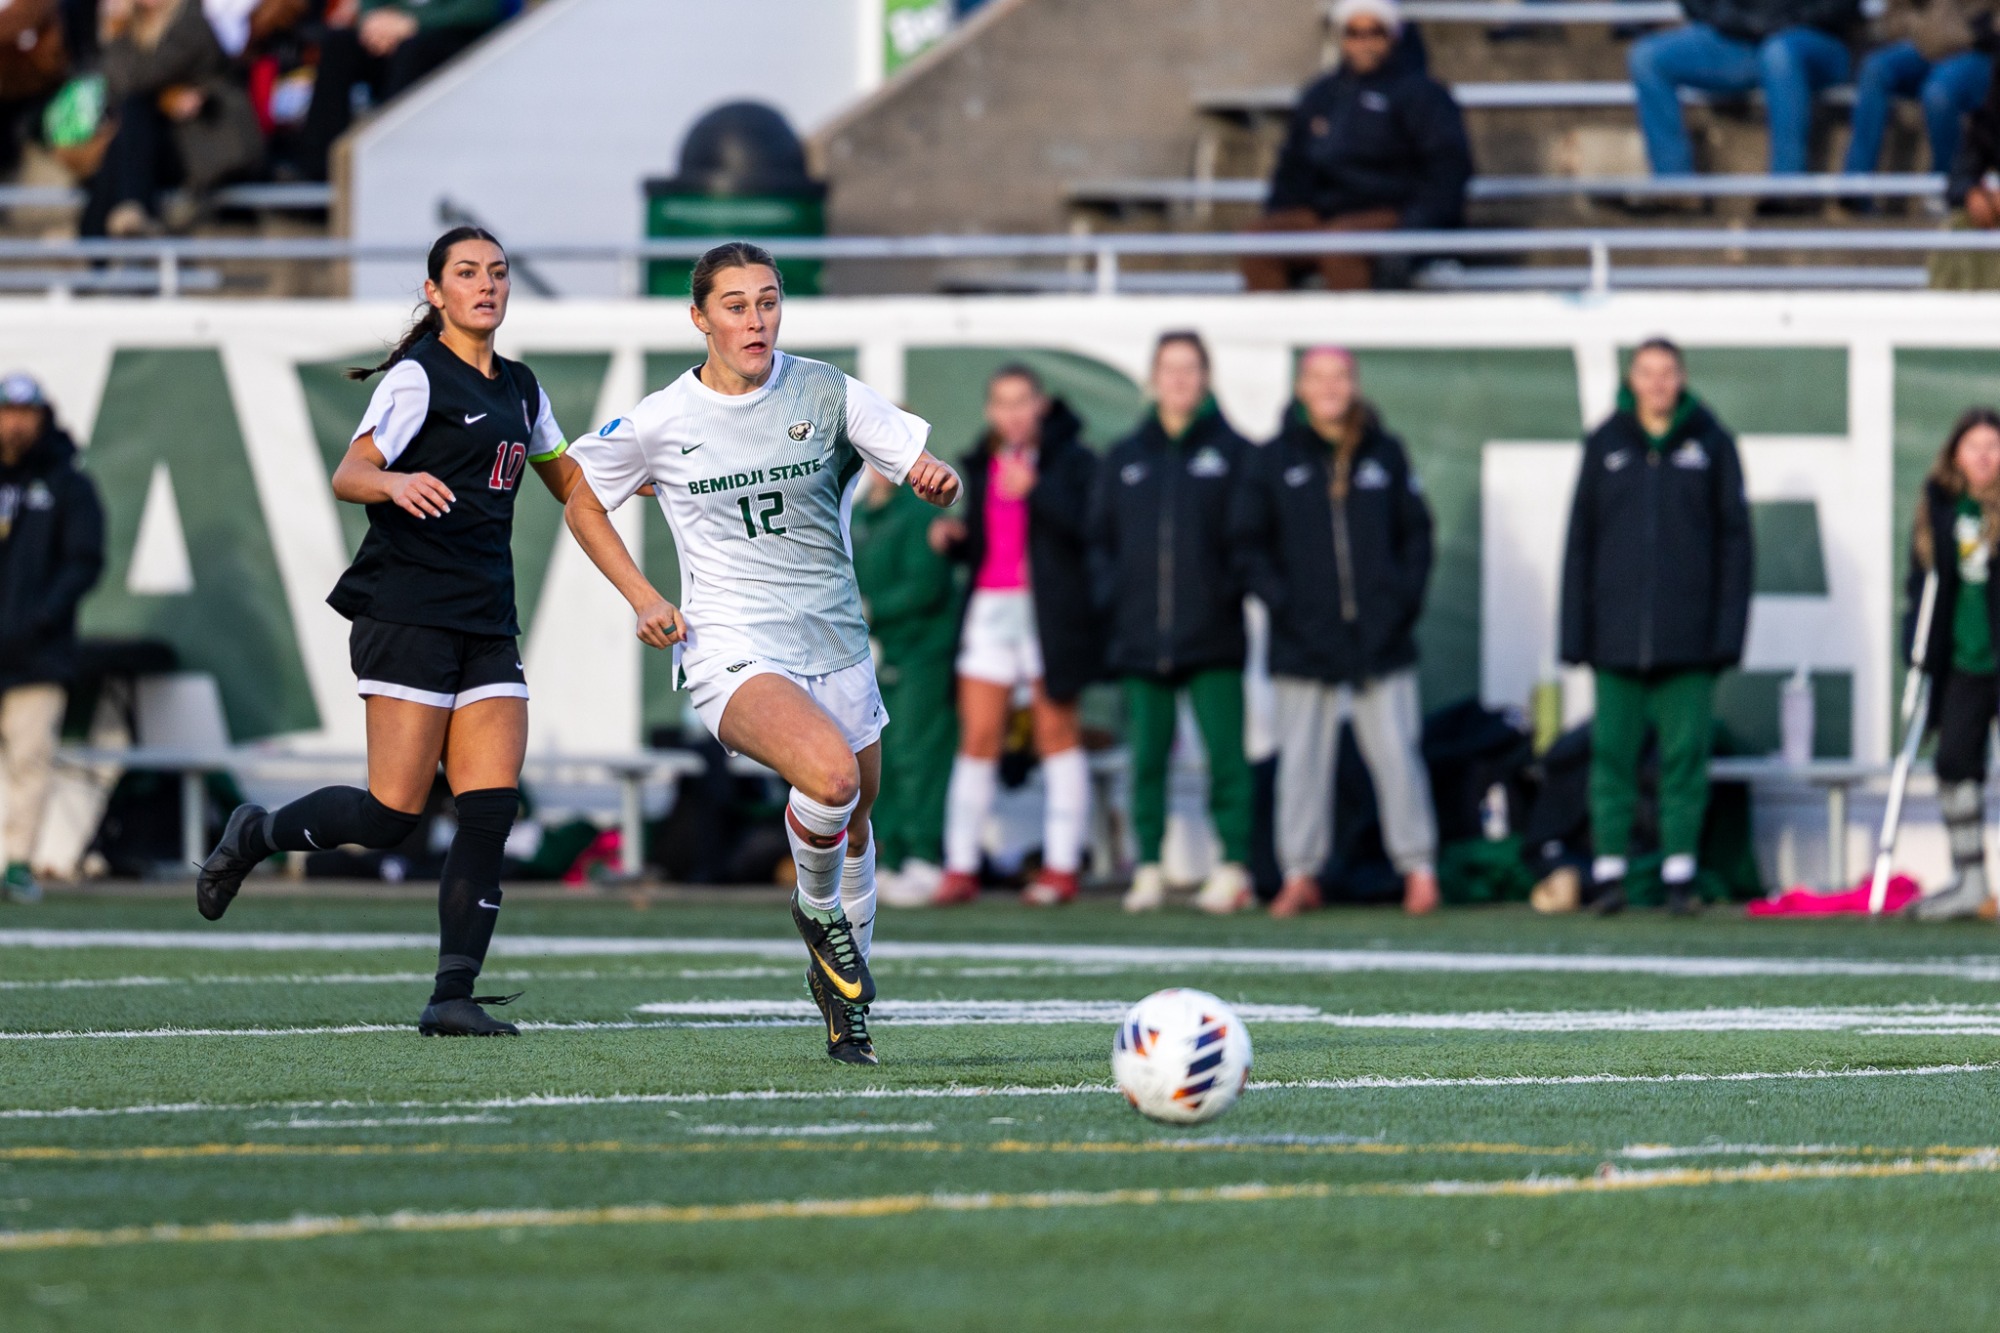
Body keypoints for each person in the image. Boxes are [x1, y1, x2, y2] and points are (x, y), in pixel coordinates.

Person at [561, 241, 961, 1066]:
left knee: (854, 826)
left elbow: (909, 453)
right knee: (834, 780)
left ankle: (845, 1006)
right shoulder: (663, 419)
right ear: (700, 316)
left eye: (768, 300)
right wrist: (643, 596)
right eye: (736, 304)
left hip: (837, 639)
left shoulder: (823, 389)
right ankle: (816, 916)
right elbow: (578, 496)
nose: (756, 319)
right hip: (731, 646)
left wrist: (929, 473)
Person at [196, 226, 575, 1037]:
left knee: (489, 805)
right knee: (392, 812)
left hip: (486, 620)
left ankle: (452, 993)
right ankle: (255, 832)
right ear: (435, 292)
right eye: (467, 273)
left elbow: (570, 480)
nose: (487, 284)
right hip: (407, 611)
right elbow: (350, 472)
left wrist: (650, 473)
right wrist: (394, 482)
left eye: (499, 272)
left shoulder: (522, 386)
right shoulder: (417, 376)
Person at [1231, 347, 1439, 917]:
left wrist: (1398, 607)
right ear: (1301, 386)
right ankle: (1299, 873)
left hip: (1380, 640)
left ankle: (1418, 868)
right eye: (1319, 377)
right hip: (1304, 641)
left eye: (1340, 376)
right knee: (1300, 762)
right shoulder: (1273, 458)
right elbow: (1248, 545)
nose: (1330, 387)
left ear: (1354, 383)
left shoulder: (1385, 452)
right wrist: (1289, 610)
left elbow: (1417, 537)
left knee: (1398, 754)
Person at [1560, 338, 1753, 916]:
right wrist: (1577, 633)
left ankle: (1678, 875)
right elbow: (1580, 543)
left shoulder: (1712, 444)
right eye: (1647, 372)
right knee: (1612, 758)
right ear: (1631, 378)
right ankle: (1610, 873)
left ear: (1683, 378)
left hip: (1689, 640)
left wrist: (1727, 635)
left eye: (1668, 372)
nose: (1658, 383)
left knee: (1684, 760)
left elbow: (1735, 545)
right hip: (1615, 639)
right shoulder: (1605, 442)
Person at [1090, 332, 1255, 915]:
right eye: (1170, 369)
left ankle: (1234, 866)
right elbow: (1101, 544)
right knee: (1149, 759)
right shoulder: (1127, 456)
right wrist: (1117, 601)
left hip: (1213, 637)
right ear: (1153, 379)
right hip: (1141, 637)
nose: (1180, 380)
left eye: (1190, 369)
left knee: (1226, 757)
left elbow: (1251, 543)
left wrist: (1224, 591)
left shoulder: (1236, 454)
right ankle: (1150, 868)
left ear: (1206, 376)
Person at [927, 365, 1102, 907]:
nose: (1012, 413)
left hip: (1047, 615)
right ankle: (959, 867)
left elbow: (1090, 530)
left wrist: (1039, 491)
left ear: (1041, 405)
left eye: (1022, 401)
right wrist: (957, 541)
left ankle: (1062, 867)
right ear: (990, 411)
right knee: (978, 738)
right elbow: (990, 541)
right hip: (990, 609)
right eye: (1002, 403)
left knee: (1056, 735)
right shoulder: (980, 461)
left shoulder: (1074, 461)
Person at [1243, 0, 1471, 293]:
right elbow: (1294, 166)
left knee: (1342, 245)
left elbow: (1447, 168)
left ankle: (1346, 334)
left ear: (1392, 36)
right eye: (1353, 33)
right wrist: (1282, 211)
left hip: (1392, 211)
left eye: (1374, 32)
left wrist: (1415, 227)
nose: (1364, 43)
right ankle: (1272, 332)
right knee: (1261, 242)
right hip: (1325, 214)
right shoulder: (1321, 95)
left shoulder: (1422, 94)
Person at [0, 374, 104, 905]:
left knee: (29, 761)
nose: (15, 423)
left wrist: (39, 617)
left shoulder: (67, 483)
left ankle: (17, 863)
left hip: (36, 654)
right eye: (7, 412)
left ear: (42, 417)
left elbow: (84, 560)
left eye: (25, 413)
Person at [1902, 409, 2000, 919]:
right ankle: (1971, 881)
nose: (1984, 456)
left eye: (1994, 445)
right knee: (1954, 763)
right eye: (1974, 445)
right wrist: (1915, 646)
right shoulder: (1939, 504)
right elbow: (1921, 581)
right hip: (1963, 659)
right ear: (1956, 453)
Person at [850, 461, 959, 906]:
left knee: (919, 754)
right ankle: (889, 854)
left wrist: (869, 610)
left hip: (920, 650)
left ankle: (924, 855)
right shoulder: (855, 512)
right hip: (871, 651)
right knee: (880, 757)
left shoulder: (923, 514)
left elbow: (925, 585)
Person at [84, 0, 264, 237]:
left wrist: (117, 30)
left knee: (134, 114)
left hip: (209, 143)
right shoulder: (140, 29)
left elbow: (136, 81)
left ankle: (98, 239)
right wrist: (166, 99)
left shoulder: (190, 22)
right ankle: (106, 234)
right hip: (168, 141)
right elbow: (114, 88)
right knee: (123, 140)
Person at [1627, 0, 1861, 178]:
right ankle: (1674, 185)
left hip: (1814, 41)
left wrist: (1780, 22)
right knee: (1648, 58)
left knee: (1780, 54)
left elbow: (1841, 6)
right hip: (1740, 41)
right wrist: (1738, 21)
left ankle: (1788, 185)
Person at [294, 0, 505, 181]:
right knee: (339, 43)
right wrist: (373, 23)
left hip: (452, 51)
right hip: (394, 42)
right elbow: (370, 6)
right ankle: (319, 168)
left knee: (412, 49)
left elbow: (479, 9)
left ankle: (384, 158)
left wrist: (413, 23)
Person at [1843, 0, 1994, 177]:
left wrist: (1975, 34)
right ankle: (1856, 181)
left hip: (1972, 49)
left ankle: (1947, 182)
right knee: (1874, 69)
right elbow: (1891, 23)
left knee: (1939, 92)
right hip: (1922, 44)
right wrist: (1914, 22)